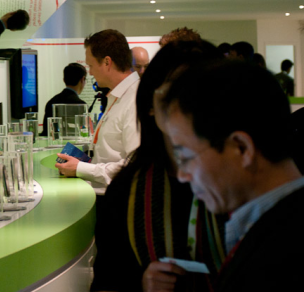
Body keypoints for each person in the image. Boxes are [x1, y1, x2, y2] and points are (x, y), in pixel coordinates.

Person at [155, 61, 304, 292]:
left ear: (242, 148)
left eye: (185, 156)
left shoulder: (282, 256)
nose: (182, 175)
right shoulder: (272, 228)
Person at [91, 40, 225, 292]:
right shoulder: (128, 192)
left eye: (207, 94)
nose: (194, 109)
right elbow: (109, 279)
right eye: (179, 95)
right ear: (152, 105)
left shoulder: (246, 179)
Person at [55, 29, 140, 195]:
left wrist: (82, 168)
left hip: (118, 200)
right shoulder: (117, 95)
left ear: (107, 62)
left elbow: (134, 166)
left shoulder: (135, 99)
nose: (91, 73)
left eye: (91, 66)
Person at [41, 63, 87, 137]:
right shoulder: (81, 105)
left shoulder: (51, 102)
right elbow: (84, 133)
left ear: (64, 80)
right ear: (82, 79)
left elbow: (46, 132)